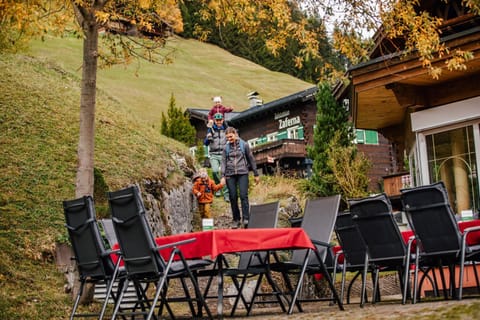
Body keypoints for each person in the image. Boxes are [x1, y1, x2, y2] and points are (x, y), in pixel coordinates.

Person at [220, 127, 260, 228]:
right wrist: (222, 176)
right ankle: (236, 219)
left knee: (243, 195)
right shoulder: (226, 148)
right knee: (233, 197)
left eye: (231, 136)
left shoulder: (244, 145)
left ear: (235, 134)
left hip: (243, 173)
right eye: (227, 137)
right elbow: (223, 162)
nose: (229, 139)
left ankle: (246, 218)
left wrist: (256, 174)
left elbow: (251, 159)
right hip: (230, 174)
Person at [204, 112, 229, 201]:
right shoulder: (210, 129)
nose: (219, 122)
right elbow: (205, 143)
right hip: (214, 154)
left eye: (220, 120)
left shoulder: (226, 129)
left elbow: (231, 137)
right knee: (214, 171)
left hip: (223, 154)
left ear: (223, 120)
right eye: (217, 120)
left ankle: (226, 195)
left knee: (224, 174)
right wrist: (208, 138)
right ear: (214, 120)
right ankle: (218, 187)